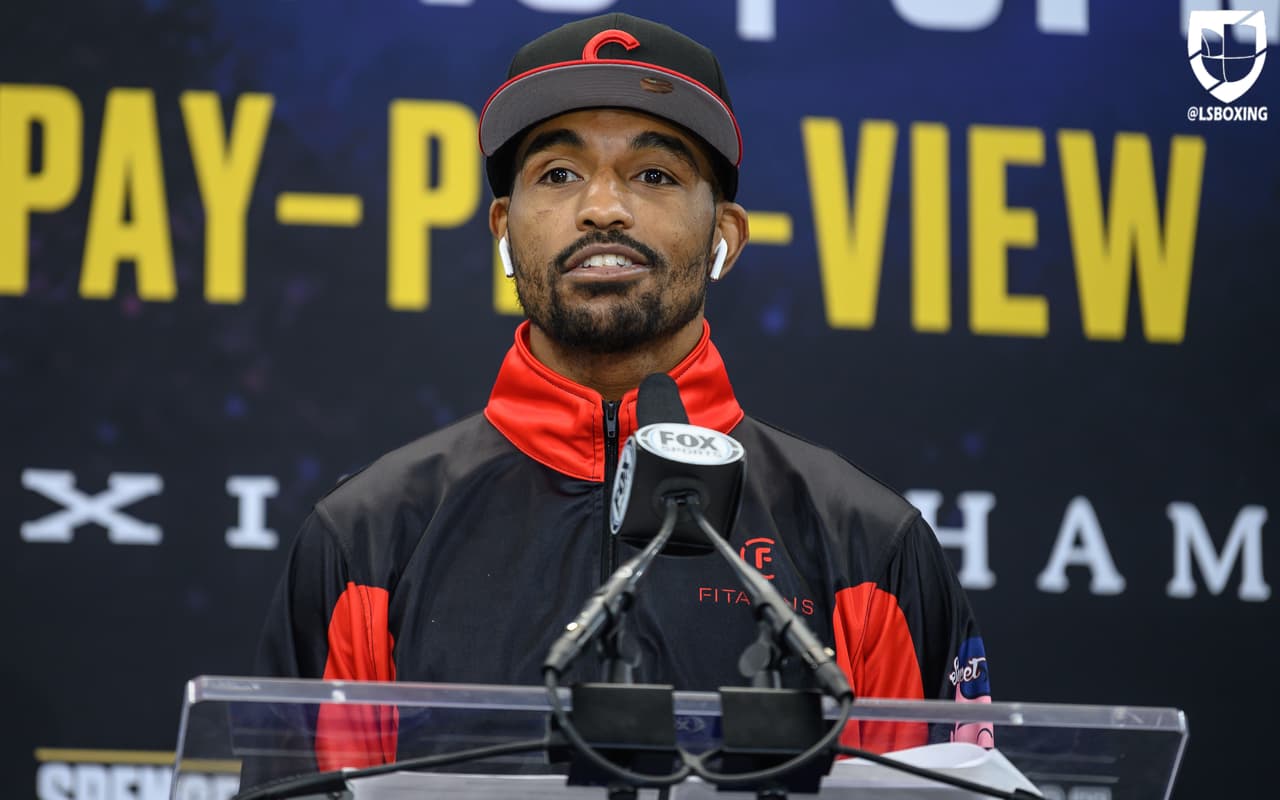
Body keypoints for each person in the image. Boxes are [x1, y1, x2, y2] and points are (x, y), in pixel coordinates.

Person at [255, 12, 991, 771]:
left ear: (725, 237)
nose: (602, 207)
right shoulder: (369, 541)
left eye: (654, 175)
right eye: (559, 174)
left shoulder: (865, 544)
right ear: (504, 228)